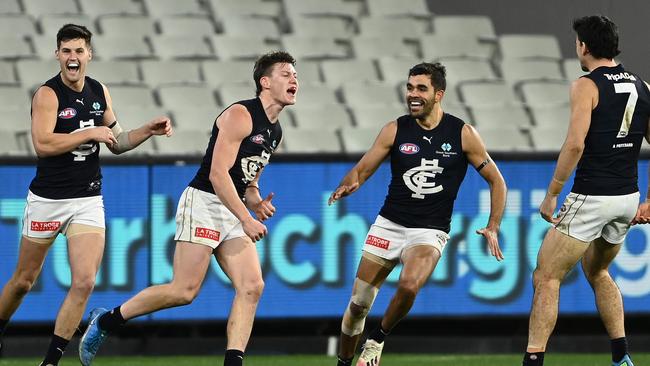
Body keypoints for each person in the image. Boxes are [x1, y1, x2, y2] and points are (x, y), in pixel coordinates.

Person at [78, 51, 298, 366]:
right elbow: (218, 174)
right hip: (206, 201)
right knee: (184, 291)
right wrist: (246, 218)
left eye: (295, 75)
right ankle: (107, 321)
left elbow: (247, 182)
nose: (294, 80)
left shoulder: (275, 131)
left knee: (252, 286)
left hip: (231, 207)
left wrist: (256, 202)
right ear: (265, 82)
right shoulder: (241, 115)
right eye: (286, 74)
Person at [0, 24, 172, 366]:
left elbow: (118, 141)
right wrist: (88, 133)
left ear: (89, 54)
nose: (72, 57)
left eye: (78, 51)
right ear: (57, 55)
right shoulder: (47, 95)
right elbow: (43, 144)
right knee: (23, 281)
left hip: (88, 199)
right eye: (66, 51)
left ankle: (50, 361)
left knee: (84, 281)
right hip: (48, 200)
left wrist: (147, 132)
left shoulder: (99, 92)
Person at [329, 62, 507, 366]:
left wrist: (493, 225)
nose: (413, 94)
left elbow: (497, 181)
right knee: (358, 305)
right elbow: (362, 169)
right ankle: (344, 362)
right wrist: (348, 184)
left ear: (438, 94)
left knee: (410, 285)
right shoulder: (395, 129)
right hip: (388, 225)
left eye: (421, 88)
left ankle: (377, 339)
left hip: (429, 231)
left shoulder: (462, 133)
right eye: (410, 87)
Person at [522, 15, 650, 366]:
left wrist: (552, 192)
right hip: (627, 199)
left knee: (546, 276)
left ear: (584, 46)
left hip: (593, 196)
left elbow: (575, 145)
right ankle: (621, 357)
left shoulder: (586, 85)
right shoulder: (643, 86)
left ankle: (532, 361)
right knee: (598, 272)